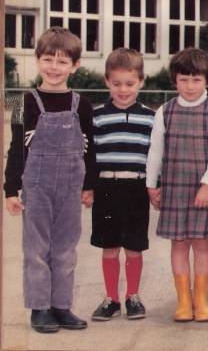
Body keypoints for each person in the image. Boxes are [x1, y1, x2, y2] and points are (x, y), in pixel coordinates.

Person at [4, 27, 97, 333]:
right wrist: (10, 189)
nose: (53, 67)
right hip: (37, 187)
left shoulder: (82, 104)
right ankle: (40, 308)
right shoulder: (20, 100)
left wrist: (89, 186)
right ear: (37, 59)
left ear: (75, 65)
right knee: (36, 249)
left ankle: (61, 306)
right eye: (47, 59)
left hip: (71, 187)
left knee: (65, 249)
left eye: (62, 61)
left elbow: (90, 148)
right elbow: (15, 147)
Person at [146, 48, 208, 322]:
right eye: (183, 79)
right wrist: (151, 184)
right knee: (179, 244)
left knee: (201, 243)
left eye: (196, 80)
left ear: (207, 80)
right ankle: (184, 301)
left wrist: (207, 185)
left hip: (203, 189)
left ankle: (201, 299)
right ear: (175, 80)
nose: (189, 86)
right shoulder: (165, 111)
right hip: (174, 186)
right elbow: (155, 151)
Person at [89, 48, 156, 322]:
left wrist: (156, 186)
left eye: (130, 84)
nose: (123, 89)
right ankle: (111, 299)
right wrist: (88, 186)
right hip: (106, 188)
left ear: (141, 81)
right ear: (107, 81)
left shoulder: (151, 117)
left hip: (136, 189)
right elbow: (90, 156)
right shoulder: (96, 116)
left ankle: (132, 296)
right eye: (117, 83)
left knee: (134, 246)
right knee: (109, 246)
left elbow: (155, 156)